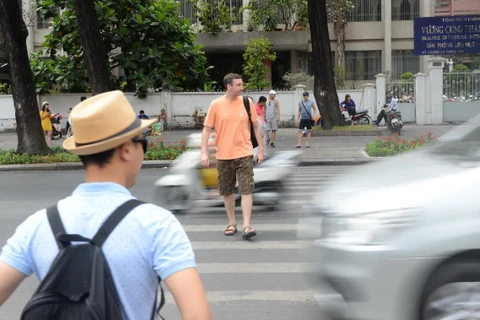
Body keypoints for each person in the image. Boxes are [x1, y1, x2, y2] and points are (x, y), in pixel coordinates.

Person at [0, 90, 211, 320]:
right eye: (143, 142)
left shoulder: (37, 226)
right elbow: (198, 315)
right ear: (127, 149)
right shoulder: (156, 224)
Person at [200, 73, 264, 239]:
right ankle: (232, 223)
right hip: (223, 155)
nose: (242, 88)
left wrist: (261, 150)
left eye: (242, 85)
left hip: (244, 154)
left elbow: (256, 127)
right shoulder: (216, 105)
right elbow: (207, 129)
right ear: (228, 86)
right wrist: (204, 152)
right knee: (226, 191)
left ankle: (247, 226)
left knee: (246, 189)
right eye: (238, 85)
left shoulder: (246, 102)